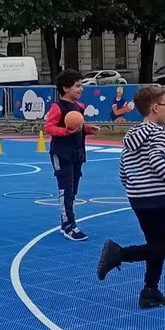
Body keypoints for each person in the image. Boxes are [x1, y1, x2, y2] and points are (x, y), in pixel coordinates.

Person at [96, 84, 165, 308]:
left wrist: (130, 184)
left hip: (137, 195)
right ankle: (118, 254)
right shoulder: (157, 132)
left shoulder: (134, 133)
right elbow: (156, 160)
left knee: (154, 243)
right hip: (153, 195)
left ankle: (150, 290)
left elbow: (123, 165)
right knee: (163, 245)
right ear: (155, 108)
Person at [44, 69, 99, 242]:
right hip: (61, 153)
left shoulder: (78, 107)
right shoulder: (57, 107)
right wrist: (65, 131)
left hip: (77, 153)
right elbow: (49, 128)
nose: (81, 89)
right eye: (77, 86)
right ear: (66, 88)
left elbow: (78, 129)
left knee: (73, 189)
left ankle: (66, 222)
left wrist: (87, 129)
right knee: (65, 189)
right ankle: (69, 225)